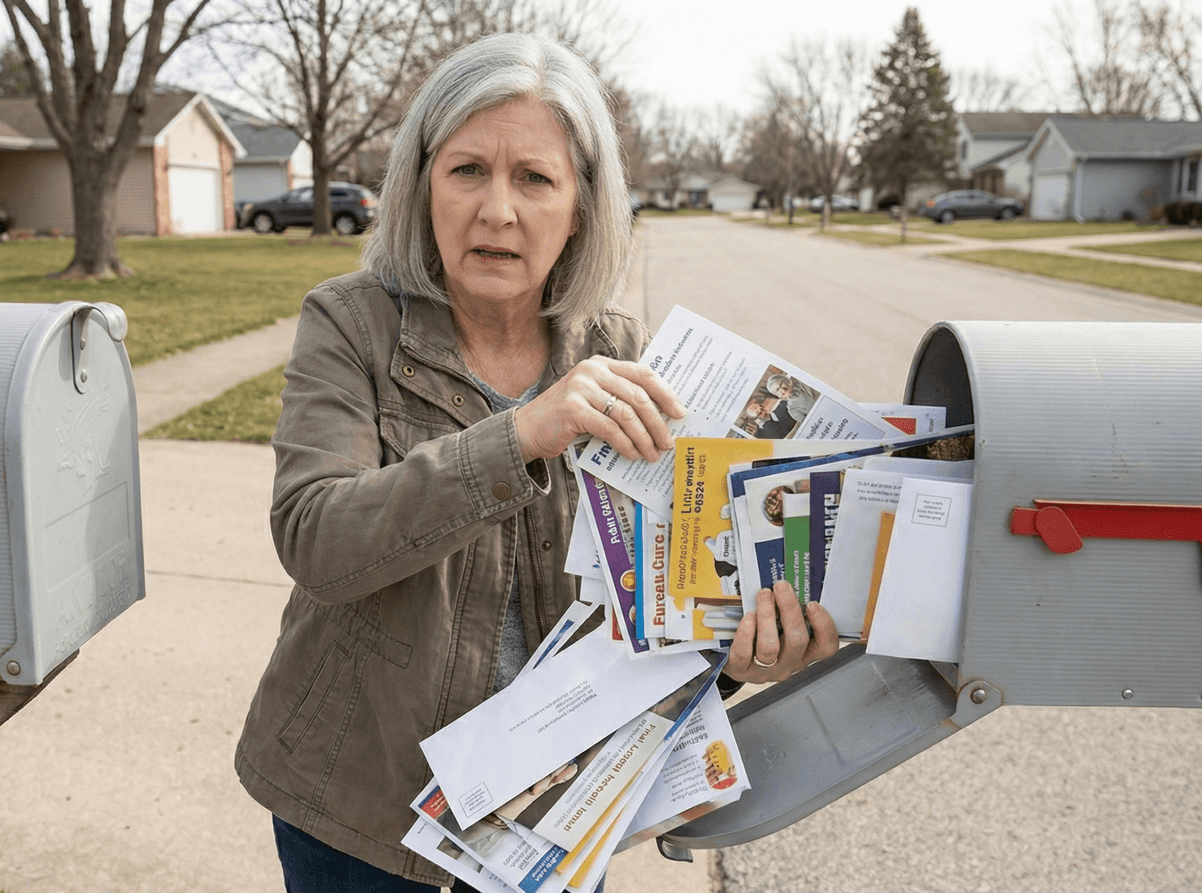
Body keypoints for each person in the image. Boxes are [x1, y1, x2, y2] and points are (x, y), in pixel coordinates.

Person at [233, 32, 839, 892]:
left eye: (535, 178)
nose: (497, 210)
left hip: (550, 810)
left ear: (582, 207)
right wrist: (519, 437)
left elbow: (661, 608)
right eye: (468, 170)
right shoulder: (350, 324)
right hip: (357, 805)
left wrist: (741, 658)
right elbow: (316, 536)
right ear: (421, 184)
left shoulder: (629, 359)